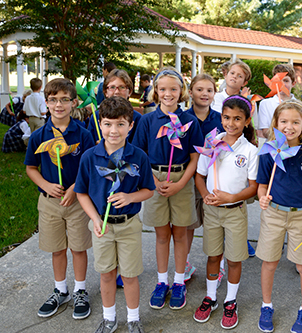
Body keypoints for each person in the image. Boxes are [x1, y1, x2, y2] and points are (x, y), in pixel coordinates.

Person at [75, 97, 155, 333]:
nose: (114, 130)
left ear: (131, 126)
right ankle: (109, 318)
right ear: (100, 124)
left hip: (129, 225)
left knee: (129, 275)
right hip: (102, 226)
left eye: (121, 124)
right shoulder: (90, 156)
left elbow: (148, 190)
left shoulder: (138, 156)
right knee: (107, 273)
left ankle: (133, 319)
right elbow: (81, 193)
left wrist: (130, 197)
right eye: (108, 124)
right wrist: (95, 219)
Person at [132, 66, 203, 311]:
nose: (168, 93)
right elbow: (138, 154)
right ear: (155, 91)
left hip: (181, 179)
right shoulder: (147, 120)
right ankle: (162, 282)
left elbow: (195, 156)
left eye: (173, 89)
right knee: (162, 235)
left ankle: (179, 280)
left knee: (180, 233)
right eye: (163, 89)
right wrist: (153, 181)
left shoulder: (190, 121)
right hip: (155, 179)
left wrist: (182, 183)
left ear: (181, 91)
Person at [24, 78, 95, 320]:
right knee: (57, 249)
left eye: (65, 99)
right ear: (46, 103)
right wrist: (45, 185)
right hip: (50, 202)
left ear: (74, 102)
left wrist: (75, 187)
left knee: (78, 248)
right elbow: (31, 168)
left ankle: (80, 290)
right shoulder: (38, 136)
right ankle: (60, 289)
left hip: (77, 202)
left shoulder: (83, 135)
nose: (59, 104)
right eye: (53, 100)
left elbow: (89, 168)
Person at [256, 100, 302, 333]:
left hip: (301, 216)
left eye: (295, 122)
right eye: (284, 121)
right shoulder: (268, 151)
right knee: (269, 262)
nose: (289, 126)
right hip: (274, 214)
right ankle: (266, 305)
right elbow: (261, 185)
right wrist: (262, 197)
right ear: (275, 123)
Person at [193, 95, 258, 329]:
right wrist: (205, 194)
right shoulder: (211, 143)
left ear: (247, 121)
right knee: (213, 255)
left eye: (237, 119)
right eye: (227, 117)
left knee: (234, 258)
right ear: (221, 117)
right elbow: (200, 176)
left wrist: (231, 197)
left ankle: (230, 301)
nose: (231, 123)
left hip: (235, 212)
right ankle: (211, 297)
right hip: (212, 211)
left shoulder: (250, 151)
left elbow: (253, 187)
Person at [184, 73, 224, 283]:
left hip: (215, 179)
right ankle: (186, 263)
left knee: (215, 225)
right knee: (189, 224)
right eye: (199, 89)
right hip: (190, 178)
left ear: (214, 93)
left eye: (209, 90)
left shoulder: (221, 119)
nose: (204, 94)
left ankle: (219, 265)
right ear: (190, 92)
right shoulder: (182, 119)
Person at [89, 69, 142, 144]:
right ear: (105, 92)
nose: (117, 92)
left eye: (122, 87)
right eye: (112, 87)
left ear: (129, 92)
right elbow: (89, 144)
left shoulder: (138, 119)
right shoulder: (95, 116)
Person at [258, 64, 301, 140]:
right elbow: (265, 131)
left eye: (286, 81)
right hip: (274, 146)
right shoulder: (265, 104)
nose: (282, 84)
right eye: (278, 81)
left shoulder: (301, 106)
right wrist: (282, 138)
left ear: (293, 83)